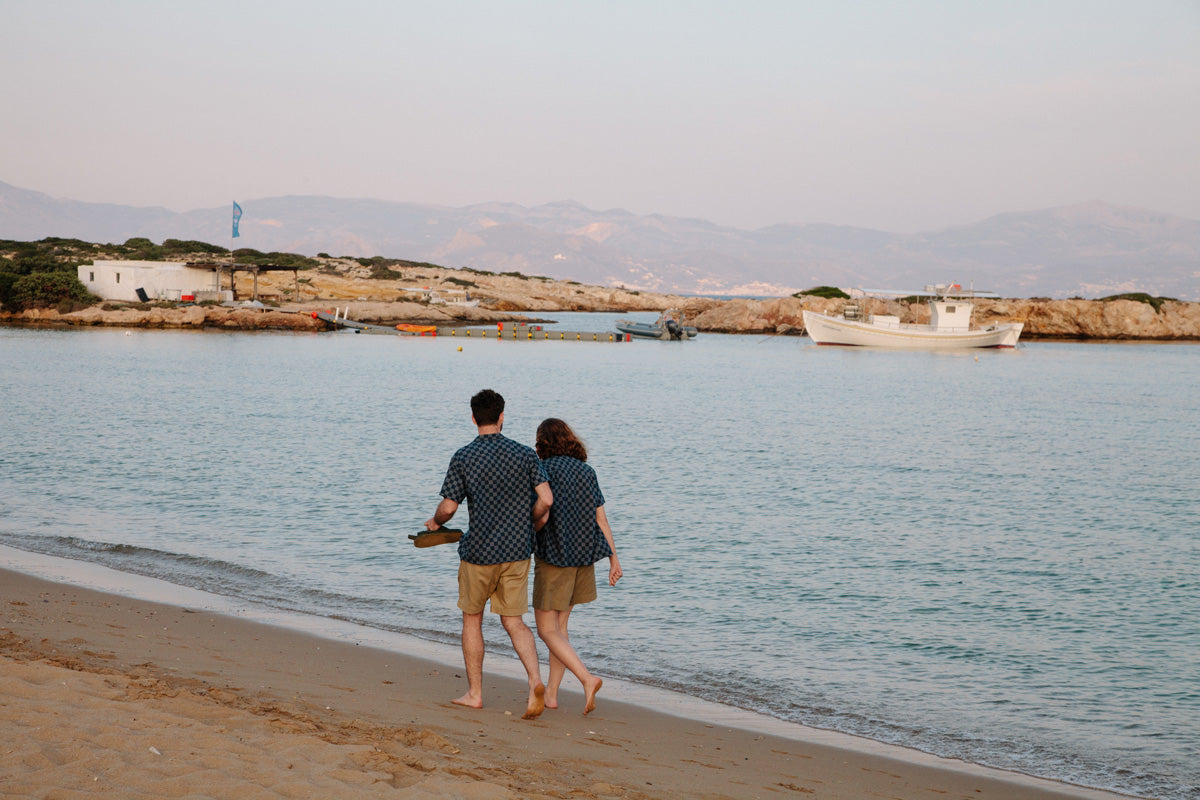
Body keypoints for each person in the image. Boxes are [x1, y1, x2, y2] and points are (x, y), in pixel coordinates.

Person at [425, 389, 553, 719]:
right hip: (517, 550)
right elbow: (547, 499)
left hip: (479, 552)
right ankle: (535, 680)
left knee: (472, 619)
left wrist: (435, 521)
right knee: (514, 621)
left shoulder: (464, 456)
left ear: (473, 418)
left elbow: (449, 508)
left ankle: (475, 694)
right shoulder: (525, 454)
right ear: (501, 417)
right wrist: (531, 518)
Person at [531, 418, 622, 715]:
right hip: (583, 559)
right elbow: (601, 520)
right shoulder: (587, 471)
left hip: (555, 557)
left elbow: (541, 511)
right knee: (560, 629)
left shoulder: (543, 470)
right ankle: (553, 695)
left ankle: (586, 678)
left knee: (546, 629)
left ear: (543, 442)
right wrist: (613, 559)